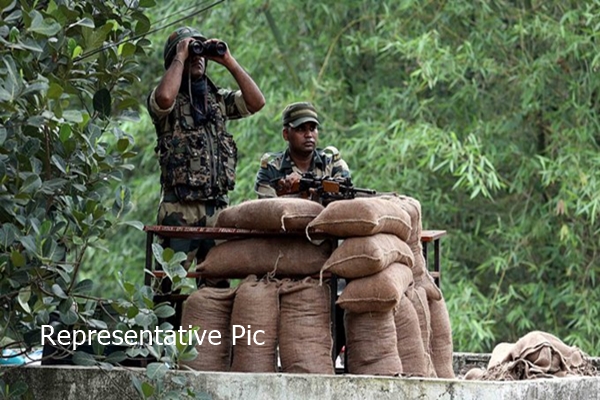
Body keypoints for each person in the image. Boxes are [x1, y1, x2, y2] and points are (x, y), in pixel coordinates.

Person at [147, 26, 265, 289]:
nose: (197, 56)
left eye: (200, 51)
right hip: (179, 210)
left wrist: (227, 61)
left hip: (217, 209)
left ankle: (210, 333)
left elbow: (257, 102)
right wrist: (181, 53)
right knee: (167, 287)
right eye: (192, 52)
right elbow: (164, 98)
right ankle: (165, 331)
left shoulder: (217, 100)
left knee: (218, 289)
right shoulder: (167, 101)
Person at [254, 101, 350, 200]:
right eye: (300, 129)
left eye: (312, 129)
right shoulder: (271, 171)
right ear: (286, 134)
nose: (309, 135)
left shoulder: (333, 164)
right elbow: (269, 209)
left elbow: (344, 201)